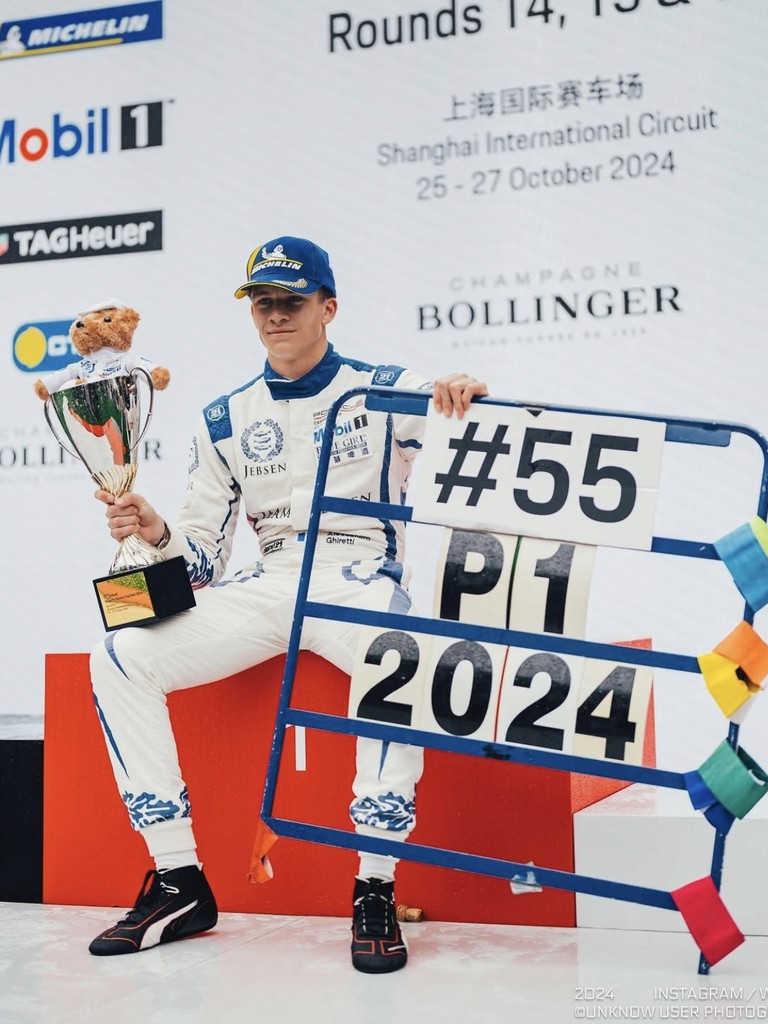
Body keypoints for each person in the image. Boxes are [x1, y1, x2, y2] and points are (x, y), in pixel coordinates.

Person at [87, 235, 488, 973]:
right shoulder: (224, 417)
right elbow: (201, 561)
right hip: (269, 582)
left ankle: (374, 887)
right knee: (120, 655)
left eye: (291, 301)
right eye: (262, 302)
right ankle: (178, 881)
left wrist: (461, 399)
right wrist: (156, 530)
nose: (275, 315)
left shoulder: (386, 388)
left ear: (327, 308)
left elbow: (476, 437)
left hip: (358, 576)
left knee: (400, 652)